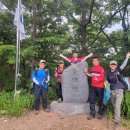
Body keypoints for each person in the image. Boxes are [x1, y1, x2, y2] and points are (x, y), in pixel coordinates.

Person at [107, 52, 130, 125]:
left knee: (117, 106)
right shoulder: (108, 73)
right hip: (112, 91)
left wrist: (127, 57)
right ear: (110, 65)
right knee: (114, 105)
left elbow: (123, 64)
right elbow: (108, 81)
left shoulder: (118, 70)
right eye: (112, 64)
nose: (113, 65)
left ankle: (117, 121)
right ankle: (116, 116)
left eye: (114, 64)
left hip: (119, 90)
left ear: (116, 65)